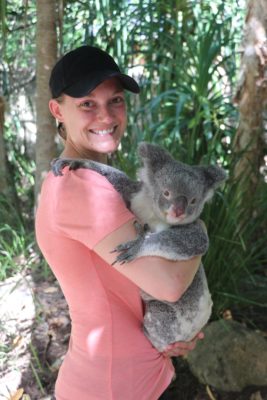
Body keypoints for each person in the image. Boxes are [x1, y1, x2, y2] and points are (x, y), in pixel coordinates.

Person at [35, 45, 204, 400]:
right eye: (87, 104)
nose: (106, 116)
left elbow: (126, 289)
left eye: (115, 100)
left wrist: (168, 332)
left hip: (125, 376)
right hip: (109, 387)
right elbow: (169, 284)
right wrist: (197, 231)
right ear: (57, 110)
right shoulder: (81, 186)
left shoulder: (83, 178)